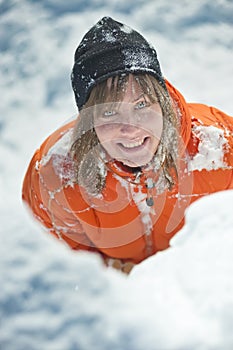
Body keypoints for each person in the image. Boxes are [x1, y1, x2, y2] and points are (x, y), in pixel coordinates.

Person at [22, 16, 233, 274]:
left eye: (142, 104)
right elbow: (62, 274)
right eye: (110, 112)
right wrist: (113, 276)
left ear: (162, 101)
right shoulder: (53, 178)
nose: (132, 128)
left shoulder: (222, 147)